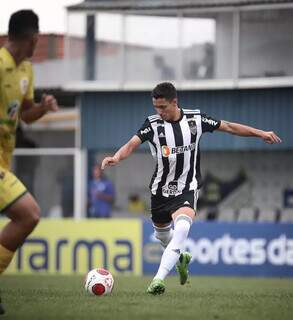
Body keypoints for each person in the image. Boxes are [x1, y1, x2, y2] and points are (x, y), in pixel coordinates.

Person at [101, 82, 281, 295]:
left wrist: (261, 133)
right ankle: (181, 257)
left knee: (183, 228)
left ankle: (158, 280)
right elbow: (132, 144)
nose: (159, 112)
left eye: (163, 107)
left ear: (175, 102)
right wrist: (116, 157)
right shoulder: (152, 124)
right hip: (160, 190)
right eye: (156, 107)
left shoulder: (196, 119)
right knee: (162, 236)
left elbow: (230, 127)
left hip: (187, 187)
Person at [0, 10, 59, 313]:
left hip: (4, 161)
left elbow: (25, 115)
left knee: (26, 217)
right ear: (34, 37)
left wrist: (43, 108)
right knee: (29, 214)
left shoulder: (26, 70)